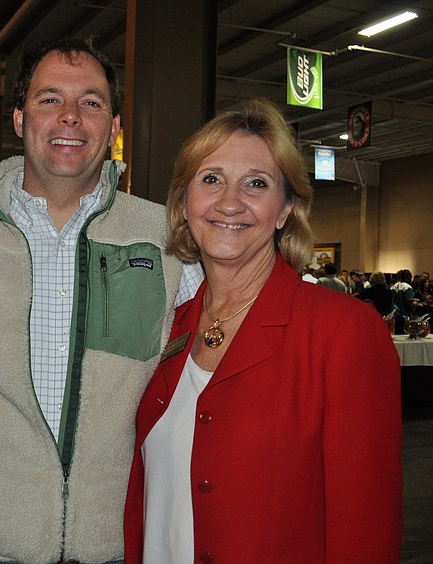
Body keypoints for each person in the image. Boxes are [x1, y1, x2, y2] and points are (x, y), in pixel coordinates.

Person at [0, 37, 203, 564]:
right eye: (48, 99)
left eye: (91, 102)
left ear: (113, 128)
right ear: (18, 119)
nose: (70, 117)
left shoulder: (167, 241)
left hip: (123, 549)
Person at [123, 98, 402, 563]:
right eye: (211, 179)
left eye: (256, 183)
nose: (230, 202)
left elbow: (366, 526)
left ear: (286, 208)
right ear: (184, 200)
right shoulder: (169, 326)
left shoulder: (341, 332)